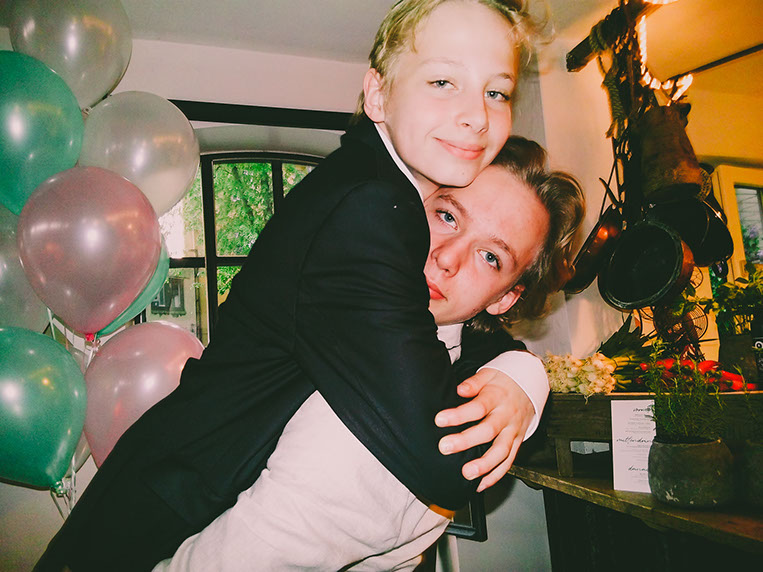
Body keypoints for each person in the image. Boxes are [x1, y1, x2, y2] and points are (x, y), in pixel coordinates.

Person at [36, 2, 547, 570]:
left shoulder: (371, 190)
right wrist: (524, 383)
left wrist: (521, 373)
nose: (476, 115)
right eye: (444, 81)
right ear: (377, 95)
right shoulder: (371, 208)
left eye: (496, 92)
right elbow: (445, 462)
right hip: (157, 529)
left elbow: (435, 336)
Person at [155, 136, 585, 571]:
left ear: (505, 298)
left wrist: (525, 377)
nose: (447, 258)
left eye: (490, 257)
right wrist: (527, 376)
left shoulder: (463, 369)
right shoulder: (344, 302)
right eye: (447, 216)